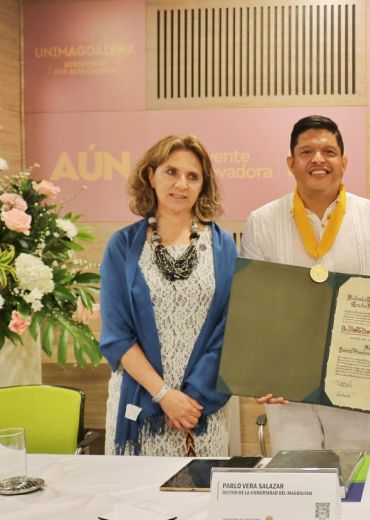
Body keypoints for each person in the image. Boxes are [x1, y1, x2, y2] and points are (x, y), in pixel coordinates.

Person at [241, 115, 370, 454]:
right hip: (288, 386)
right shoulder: (261, 221)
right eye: (307, 152)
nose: (318, 159)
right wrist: (261, 374)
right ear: (291, 163)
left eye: (328, 151)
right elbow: (253, 308)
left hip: (358, 382)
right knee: (297, 482)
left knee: (353, 483)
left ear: (343, 162)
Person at [101, 135, 236, 456]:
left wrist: (190, 399)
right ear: (151, 175)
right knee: (136, 503)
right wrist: (164, 395)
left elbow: (230, 330)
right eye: (171, 172)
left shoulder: (223, 245)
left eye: (193, 176)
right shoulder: (121, 246)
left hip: (200, 409)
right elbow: (117, 336)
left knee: (201, 501)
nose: (182, 184)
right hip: (141, 402)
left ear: (204, 185)